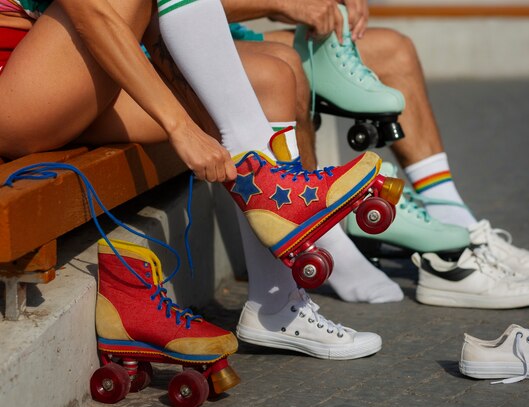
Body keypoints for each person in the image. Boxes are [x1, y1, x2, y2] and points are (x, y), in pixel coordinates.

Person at [0, 0, 387, 366]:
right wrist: (179, 126)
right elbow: (90, 12)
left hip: (56, 73)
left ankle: (276, 303)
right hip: (15, 91)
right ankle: (277, 196)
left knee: (270, 80)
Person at [220, 0, 529, 281]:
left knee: (395, 49)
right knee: (287, 66)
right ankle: (324, 236)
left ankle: (455, 217)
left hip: (237, 33)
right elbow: (174, 10)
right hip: (197, 49)